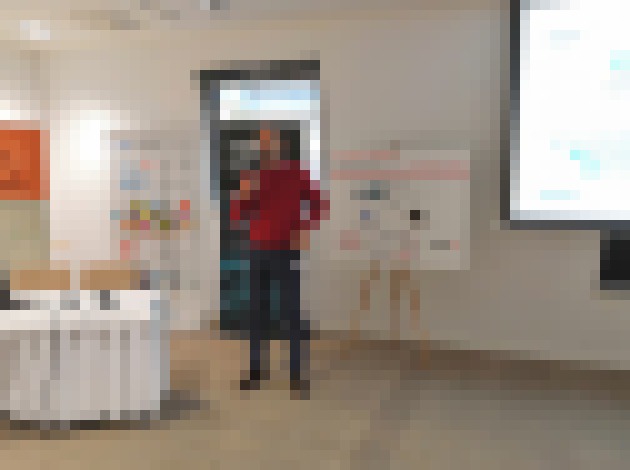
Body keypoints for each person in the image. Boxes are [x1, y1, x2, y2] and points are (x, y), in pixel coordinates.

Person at [229, 128, 329, 398]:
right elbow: (237, 215)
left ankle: (296, 373)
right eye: (262, 143)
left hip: (287, 250)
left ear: (281, 146)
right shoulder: (251, 175)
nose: (266, 147)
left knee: (292, 312)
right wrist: (243, 194)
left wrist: (304, 228)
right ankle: (256, 370)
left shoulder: (298, 172)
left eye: (270, 142)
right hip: (257, 251)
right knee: (256, 313)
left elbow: (319, 204)